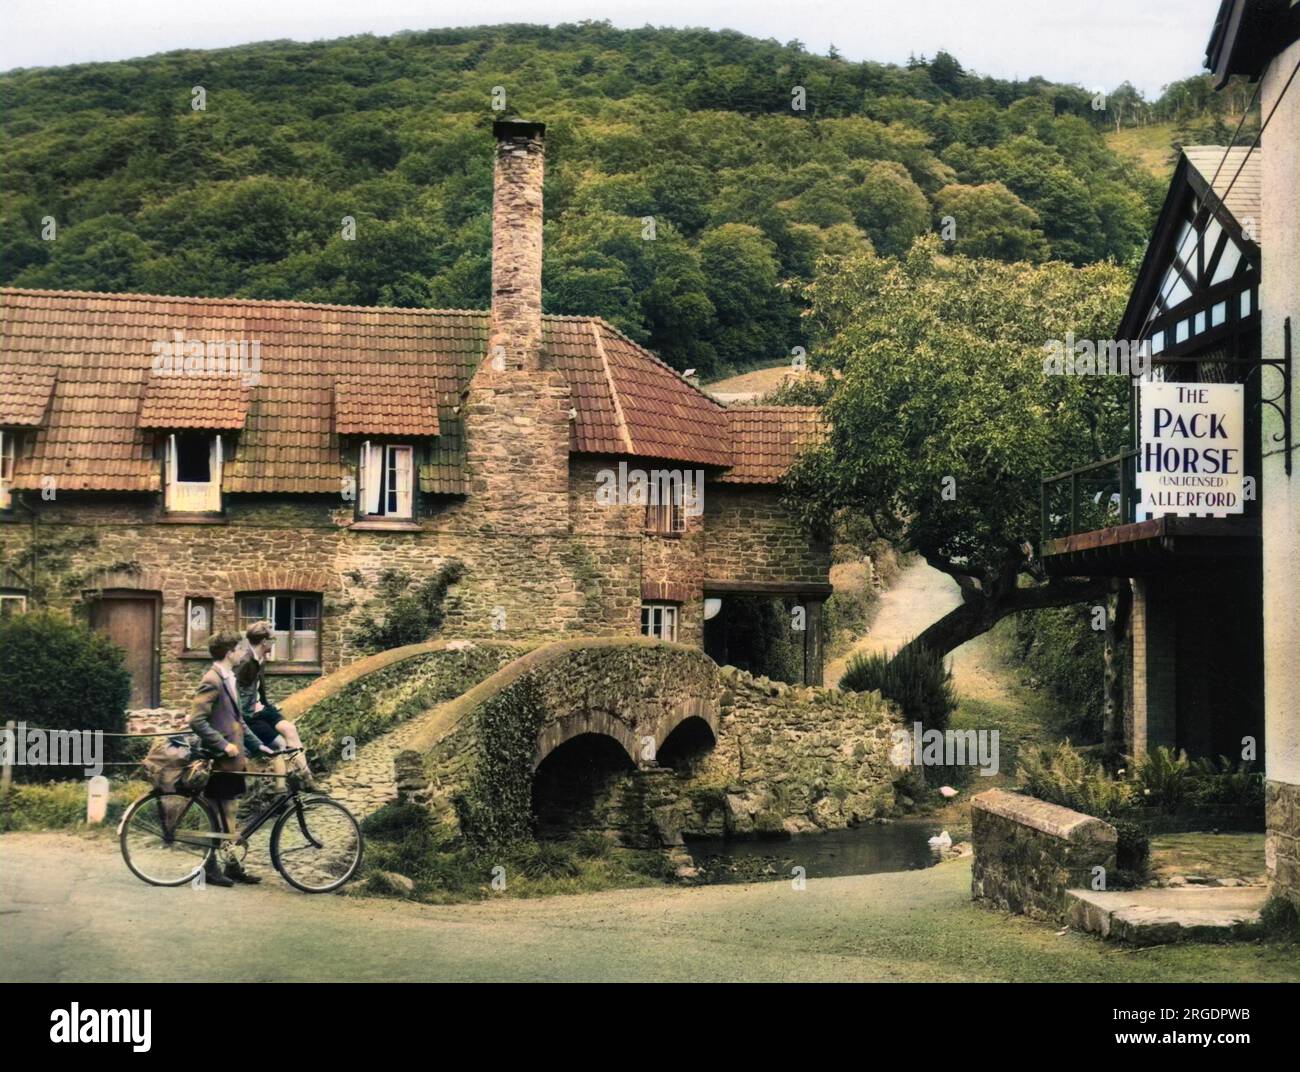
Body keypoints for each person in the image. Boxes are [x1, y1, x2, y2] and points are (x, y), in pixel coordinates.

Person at [189, 631, 271, 887]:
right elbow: (196, 720)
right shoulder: (212, 679)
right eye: (238, 649)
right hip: (220, 758)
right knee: (216, 813)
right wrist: (224, 745)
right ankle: (211, 866)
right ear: (229, 653)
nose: (242, 653)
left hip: (233, 760)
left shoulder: (229, 678)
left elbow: (239, 720)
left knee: (229, 811)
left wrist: (258, 746)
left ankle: (231, 864)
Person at [235, 620, 318, 790]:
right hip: (250, 716)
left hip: (263, 709)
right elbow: (239, 699)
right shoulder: (245, 663)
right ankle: (283, 789)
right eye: (273, 640)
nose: (275, 643)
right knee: (280, 745)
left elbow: (258, 690)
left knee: (290, 729)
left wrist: (267, 705)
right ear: (264, 642)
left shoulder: (260, 659)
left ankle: (306, 777)